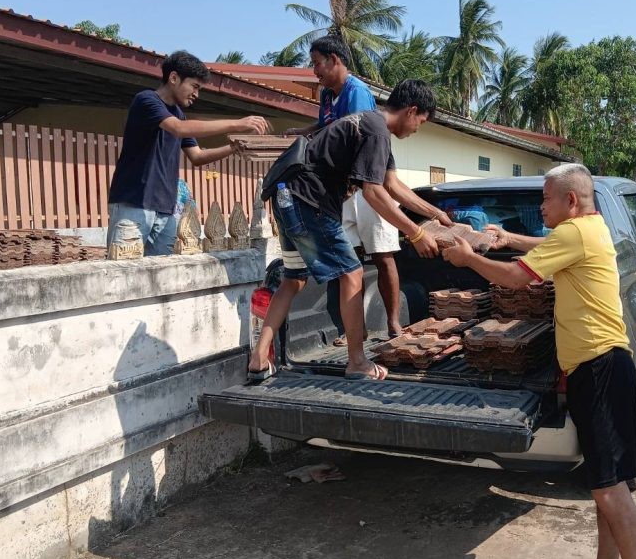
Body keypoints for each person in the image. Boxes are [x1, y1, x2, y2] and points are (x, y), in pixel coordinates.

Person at [441, 163, 636, 559]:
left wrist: (468, 257)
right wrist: (509, 237)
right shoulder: (589, 229)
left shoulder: (575, 233)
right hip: (598, 368)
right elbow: (546, 248)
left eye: (545, 199)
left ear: (570, 201)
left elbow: (514, 280)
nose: (540, 207)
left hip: (601, 369)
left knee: (610, 490)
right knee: (606, 479)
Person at [247, 79, 451, 382]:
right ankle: (357, 362)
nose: (418, 128)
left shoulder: (371, 126)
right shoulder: (376, 130)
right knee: (352, 273)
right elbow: (373, 192)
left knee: (293, 279)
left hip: (286, 197)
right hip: (308, 201)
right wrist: (416, 233)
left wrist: (436, 214)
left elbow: (392, 185)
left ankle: (258, 358)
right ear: (411, 110)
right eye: (421, 121)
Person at [286, 35, 409, 342]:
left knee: (382, 254)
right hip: (342, 189)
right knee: (347, 260)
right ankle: (356, 329)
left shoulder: (357, 92)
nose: (315, 71)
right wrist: (301, 132)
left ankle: (393, 323)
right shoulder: (328, 95)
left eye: (317, 64)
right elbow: (327, 129)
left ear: (335, 60)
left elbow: (357, 137)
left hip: (367, 183)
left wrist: (355, 184)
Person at [107, 50, 270, 255]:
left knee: (163, 272)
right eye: (194, 86)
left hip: (166, 209)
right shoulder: (146, 100)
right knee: (125, 269)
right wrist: (238, 124)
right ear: (174, 78)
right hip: (133, 203)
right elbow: (178, 129)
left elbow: (197, 156)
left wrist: (234, 147)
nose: (196, 94)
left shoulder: (179, 115)